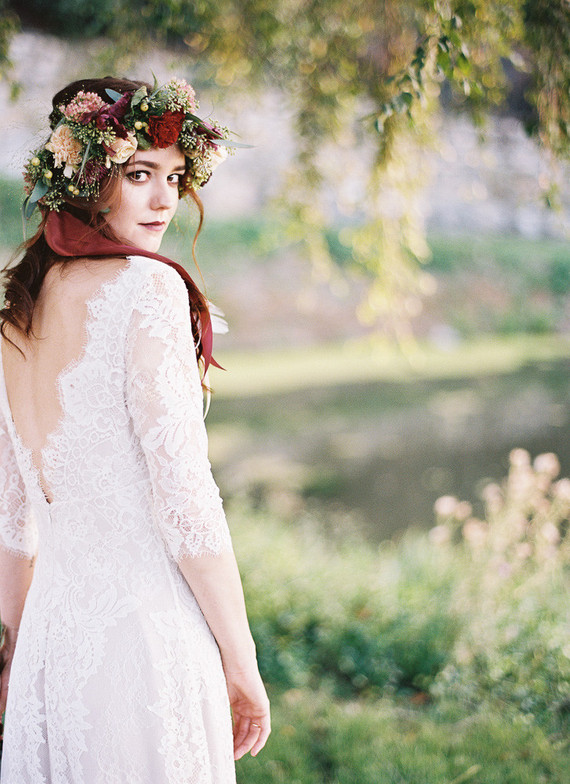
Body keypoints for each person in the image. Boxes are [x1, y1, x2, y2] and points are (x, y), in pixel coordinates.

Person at [0, 76, 270, 783]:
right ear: (87, 178)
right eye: (138, 174)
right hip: (144, 641)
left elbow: (12, 518)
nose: (162, 201)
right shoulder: (146, 291)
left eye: (175, 178)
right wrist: (241, 664)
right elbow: (187, 502)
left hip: (50, 650)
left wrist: (18, 648)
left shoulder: (13, 315)